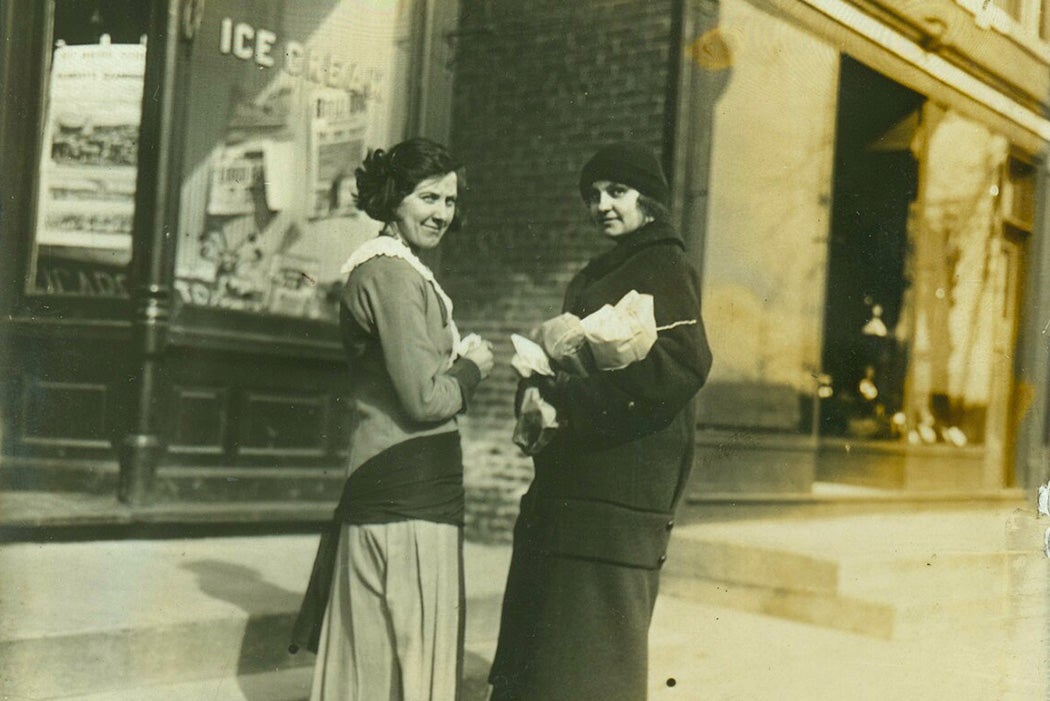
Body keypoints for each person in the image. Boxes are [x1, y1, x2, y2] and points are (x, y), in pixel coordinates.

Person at [488, 141, 713, 700]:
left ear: (650, 201)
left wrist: (568, 406)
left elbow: (683, 364)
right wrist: (534, 389)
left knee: (590, 661)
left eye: (617, 192)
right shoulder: (597, 271)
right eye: (593, 196)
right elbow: (571, 364)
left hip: (619, 491)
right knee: (552, 655)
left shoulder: (665, 263)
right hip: (576, 487)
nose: (603, 206)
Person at [292, 137, 494, 701]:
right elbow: (424, 400)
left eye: (450, 202)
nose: (441, 214)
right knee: (408, 660)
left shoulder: (395, 271)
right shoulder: (392, 274)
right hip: (407, 490)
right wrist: (473, 368)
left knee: (373, 664)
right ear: (395, 199)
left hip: (397, 483)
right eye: (428, 198)